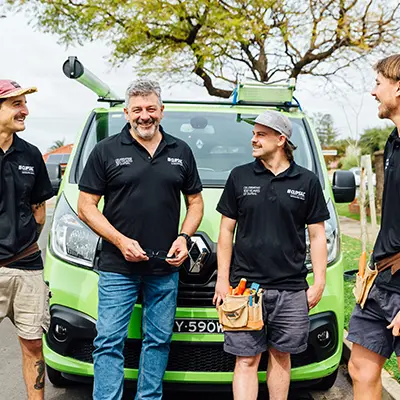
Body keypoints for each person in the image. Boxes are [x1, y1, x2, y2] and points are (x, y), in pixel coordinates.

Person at [77, 79, 204, 400]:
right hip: (118, 268)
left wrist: (184, 237)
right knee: (109, 341)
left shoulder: (180, 151)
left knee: (158, 341)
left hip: (165, 268)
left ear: (162, 111)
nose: (144, 116)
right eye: (137, 110)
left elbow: (196, 202)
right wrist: (120, 241)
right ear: (126, 113)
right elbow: (86, 207)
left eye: (150, 109)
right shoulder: (106, 150)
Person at [213, 110, 330, 400]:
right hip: (245, 289)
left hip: (290, 289)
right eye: (253, 134)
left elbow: (317, 236)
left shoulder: (307, 181)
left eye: (260, 134)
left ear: (281, 139)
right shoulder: (239, 176)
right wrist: (222, 281)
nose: (253, 139)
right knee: (246, 359)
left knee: (281, 356)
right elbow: (226, 232)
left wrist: (318, 283)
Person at [348, 55, 400, 400]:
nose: (373, 92)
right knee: (361, 368)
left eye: (378, 83)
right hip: (381, 279)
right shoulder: (393, 141)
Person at [0, 80, 53, 399]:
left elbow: (39, 210)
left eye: (24, 103)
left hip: (27, 266)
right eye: (15, 104)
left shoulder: (31, 154)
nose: (25, 110)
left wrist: (22, 242)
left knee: (34, 344)